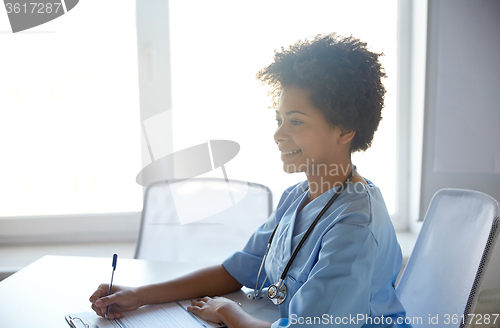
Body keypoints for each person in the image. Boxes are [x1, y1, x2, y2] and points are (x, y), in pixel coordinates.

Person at [89, 33, 410, 328]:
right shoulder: (297, 196)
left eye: (296, 121)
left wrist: (228, 313)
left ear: (345, 130)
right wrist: (138, 294)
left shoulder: (355, 227)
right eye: (279, 119)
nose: (278, 134)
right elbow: (235, 271)